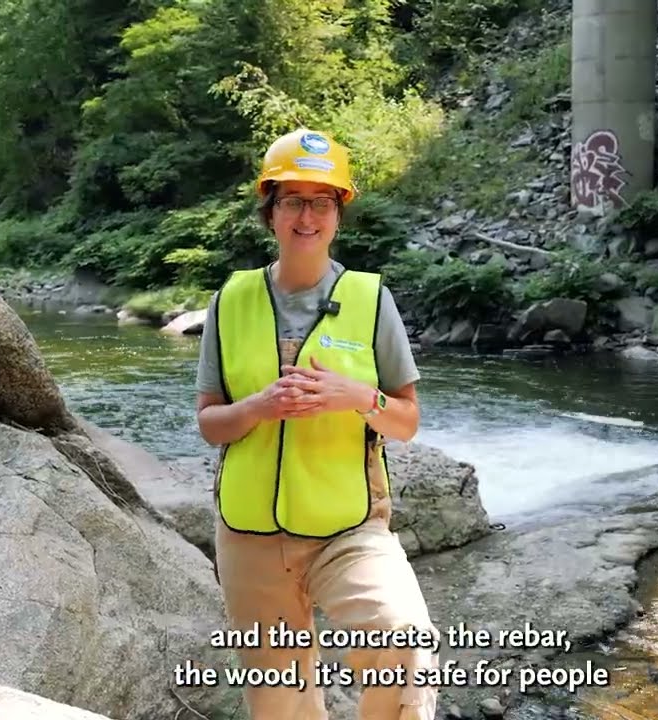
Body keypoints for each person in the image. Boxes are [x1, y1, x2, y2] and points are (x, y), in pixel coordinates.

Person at [193, 127, 440, 720]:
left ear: (338, 213)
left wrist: (359, 396)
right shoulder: (230, 301)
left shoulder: (371, 300)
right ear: (271, 211)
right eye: (294, 201)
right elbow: (210, 423)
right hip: (249, 537)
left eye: (322, 201)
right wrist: (257, 407)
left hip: (347, 529)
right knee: (280, 705)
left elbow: (406, 422)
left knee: (402, 643)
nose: (308, 215)